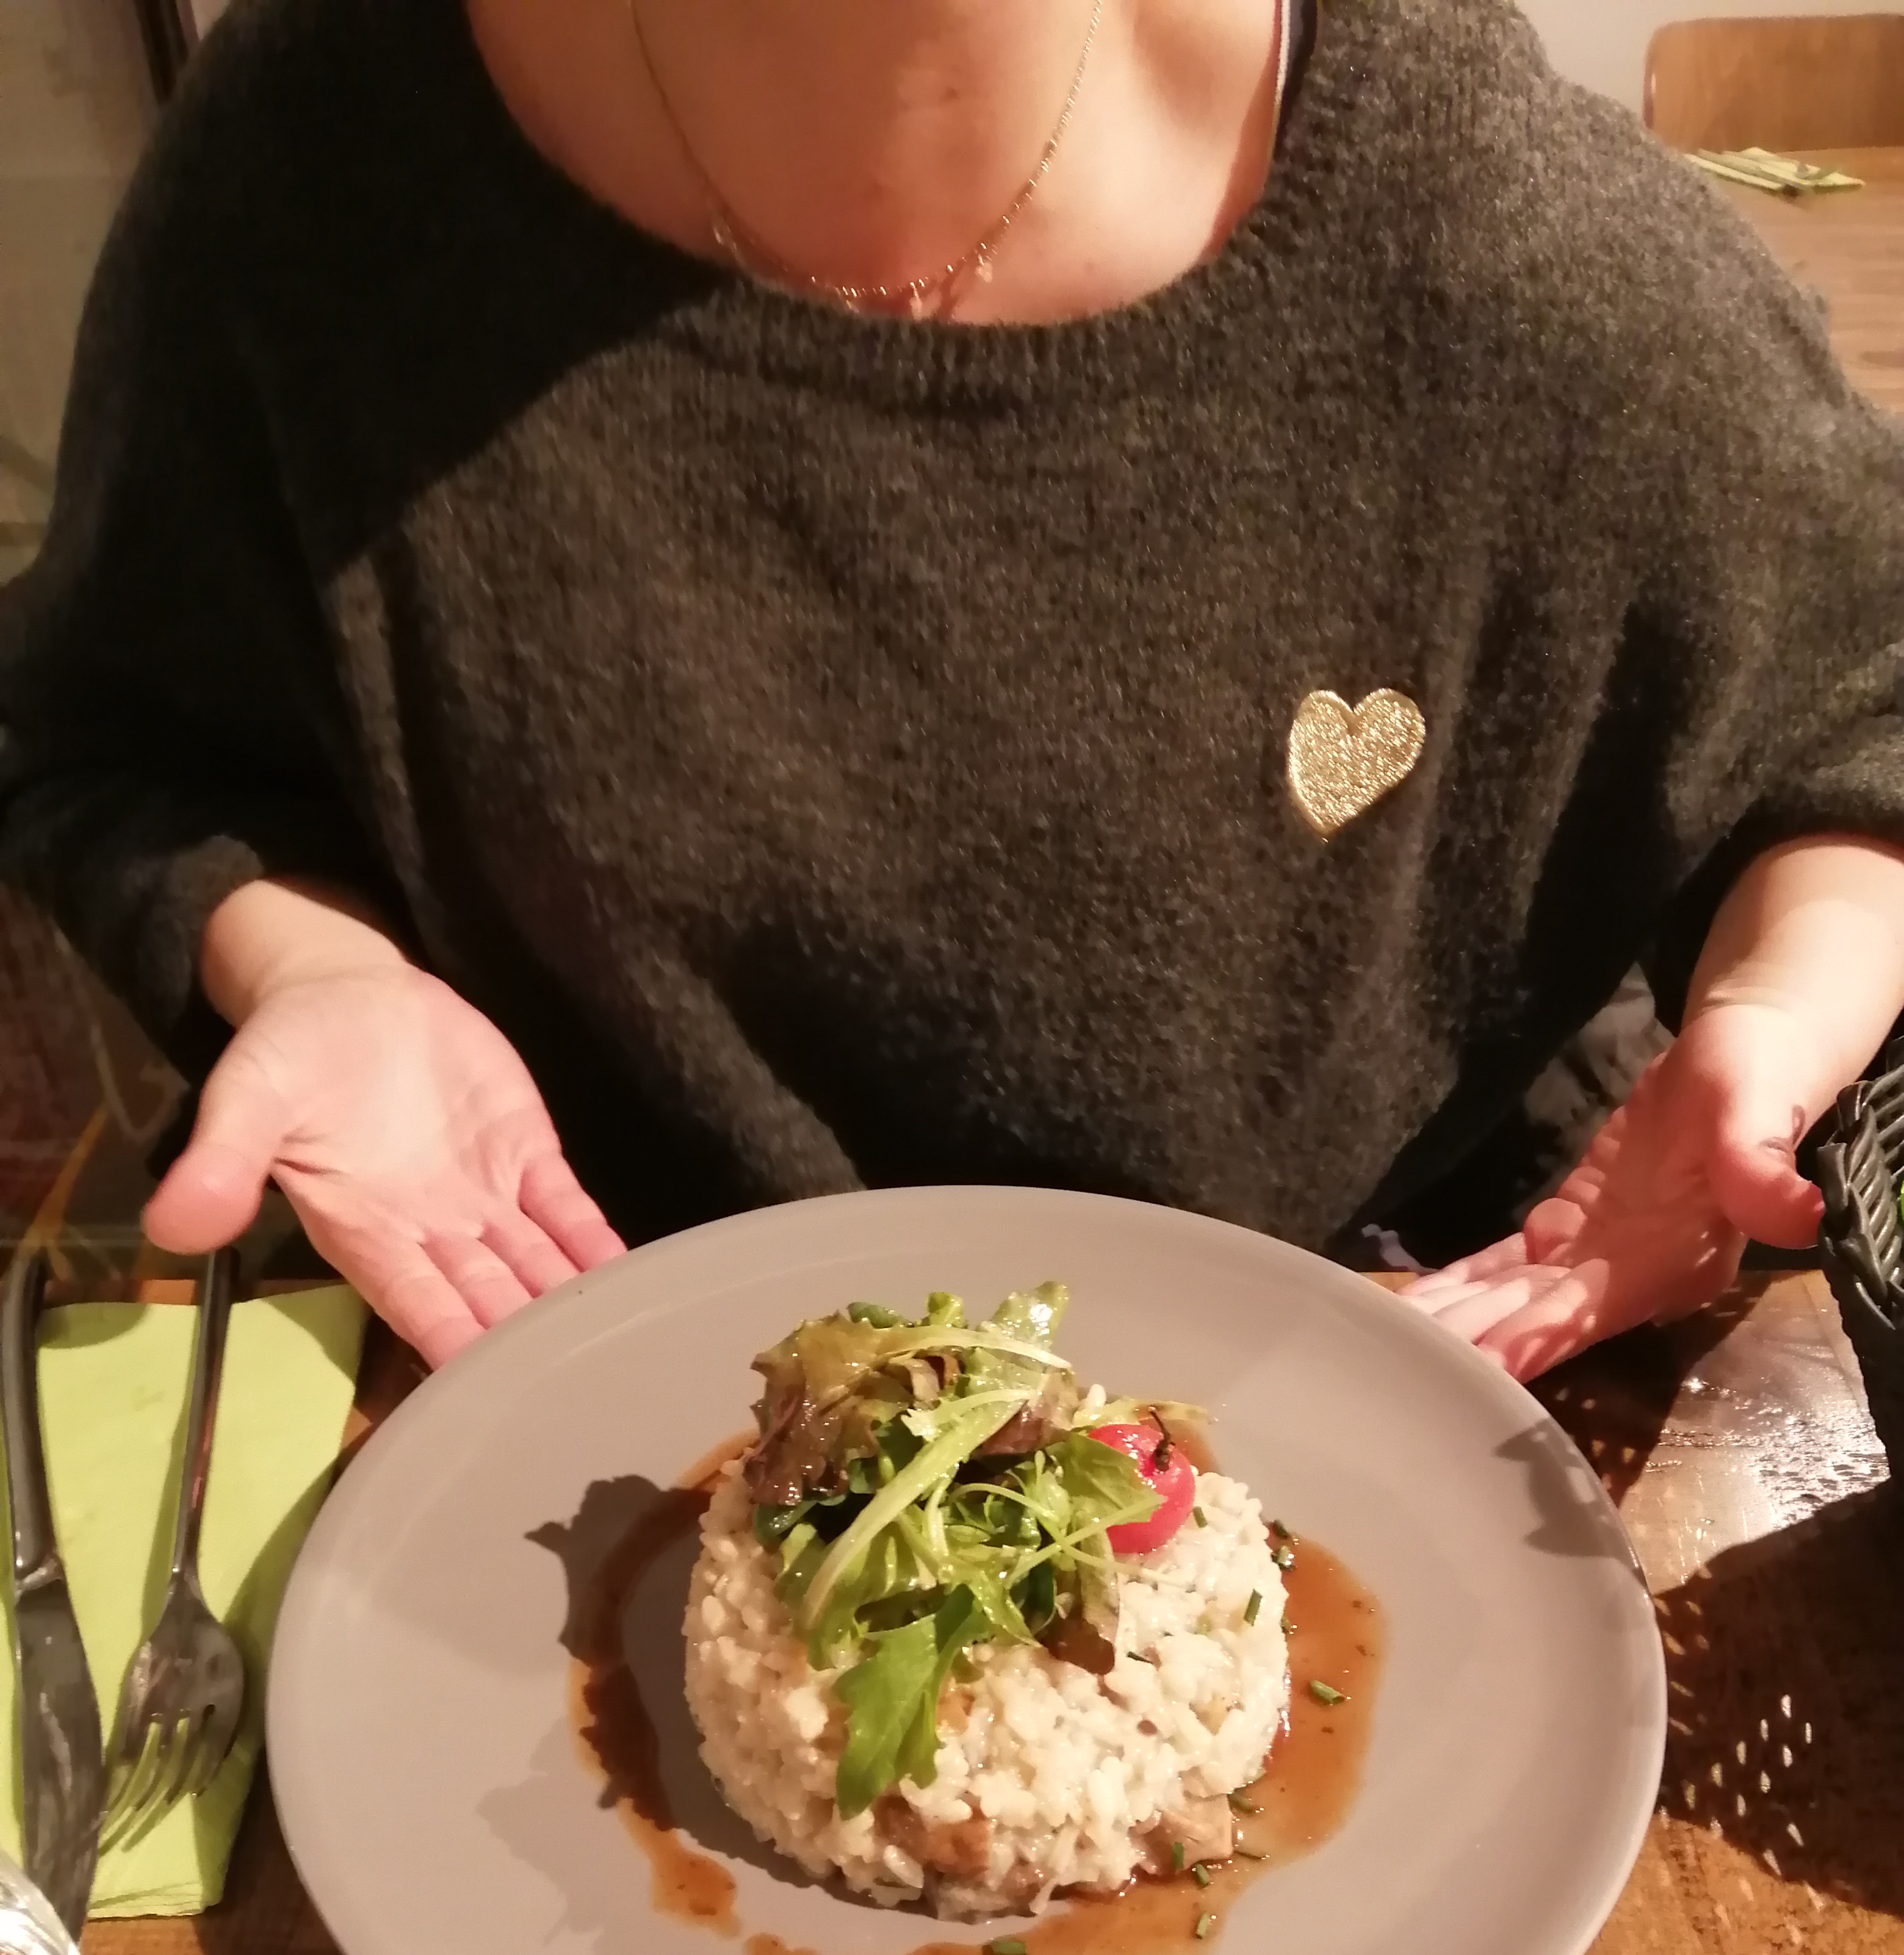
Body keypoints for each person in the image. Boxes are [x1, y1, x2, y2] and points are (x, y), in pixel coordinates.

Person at [2, 0, 1900, 1378]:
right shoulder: (312, 170)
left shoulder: (1493, 225)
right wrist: (314, 969)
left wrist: (1772, 1013)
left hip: (1381, 1367)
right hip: (594, 1382)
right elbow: (126, 735)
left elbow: (1862, 696)